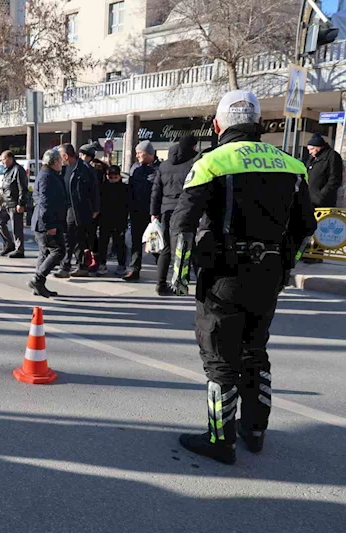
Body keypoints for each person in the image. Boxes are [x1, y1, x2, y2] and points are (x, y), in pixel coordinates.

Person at [170, 90, 316, 465]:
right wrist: (285, 266)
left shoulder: (212, 161)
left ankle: (221, 441)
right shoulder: (292, 165)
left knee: (220, 359)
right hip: (268, 276)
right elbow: (305, 230)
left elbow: (183, 224)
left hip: (223, 276)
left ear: (219, 125)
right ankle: (255, 431)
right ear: (258, 125)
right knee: (256, 353)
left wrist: (179, 273)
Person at [151, 134, 199, 295]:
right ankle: (183, 284)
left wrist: (154, 213)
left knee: (165, 249)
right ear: (192, 147)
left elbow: (156, 191)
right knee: (187, 248)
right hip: (186, 211)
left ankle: (160, 284)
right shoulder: (193, 164)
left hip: (165, 211)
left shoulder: (164, 166)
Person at [55, 144, 100, 278]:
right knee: (78, 240)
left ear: (65, 156)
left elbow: (94, 189)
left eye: (60, 156)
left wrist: (96, 208)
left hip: (79, 208)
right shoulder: (62, 169)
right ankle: (82, 266)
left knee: (69, 238)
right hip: (66, 208)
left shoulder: (85, 169)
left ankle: (65, 266)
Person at [29, 149, 68, 298]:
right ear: (55, 162)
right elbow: (45, 201)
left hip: (47, 221)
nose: (62, 165)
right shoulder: (47, 176)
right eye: (60, 162)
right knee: (58, 251)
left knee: (44, 253)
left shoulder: (49, 174)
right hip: (47, 223)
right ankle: (37, 280)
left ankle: (38, 286)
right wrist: (49, 224)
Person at [124, 140, 160, 282]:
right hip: (136, 211)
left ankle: (162, 270)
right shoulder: (135, 168)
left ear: (148, 153)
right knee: (135, 242)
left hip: (153, 213)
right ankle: (134, 270)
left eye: (139, 153)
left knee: (155, 244)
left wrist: (157, 212)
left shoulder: (159, 169)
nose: (137, 155)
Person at [0, 150, 30, 258]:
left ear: (10, 158)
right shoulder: (8, 170)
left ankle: (19, 250)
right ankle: (8, 244)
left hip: (15, 204)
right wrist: (2, 198)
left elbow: (23, 188)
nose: (2, 162)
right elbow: (7, 188)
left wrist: (21, 203)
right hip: (6, 203)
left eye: (3, 159)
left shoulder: (18, 170)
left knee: (16, 227)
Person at [97, 165, 128, 276]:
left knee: (119, 243)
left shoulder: (125, 188)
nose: (113, 180)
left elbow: (127, 204)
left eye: (115, 177)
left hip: (120, 220)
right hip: (105, 219)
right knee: (103, 243)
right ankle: (102, 264)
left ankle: (121, 264)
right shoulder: (103, 187)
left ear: (120, 176)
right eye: (111, 177)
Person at [305, 133, 343, 208]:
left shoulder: (332, 156)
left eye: (312, 149)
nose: (310, 152)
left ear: (319, 147)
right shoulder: (312, 159)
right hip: (310, 200)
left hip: (323, 202)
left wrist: (321, 196)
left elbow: (334, 179)